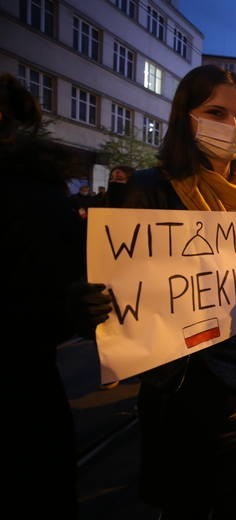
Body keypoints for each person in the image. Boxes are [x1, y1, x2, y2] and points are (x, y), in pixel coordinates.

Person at [88, 64, 236, 518]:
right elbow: (124, 292)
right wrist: (93, 305)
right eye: (216, 112)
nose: (233, 127)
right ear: (187, 116)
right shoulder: (150, 190)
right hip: (185, 395)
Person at [1, 72, 110, 519]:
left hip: (24, 400)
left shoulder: (36, 197)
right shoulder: (43, 193)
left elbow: (63, 301)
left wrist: (81, 308)